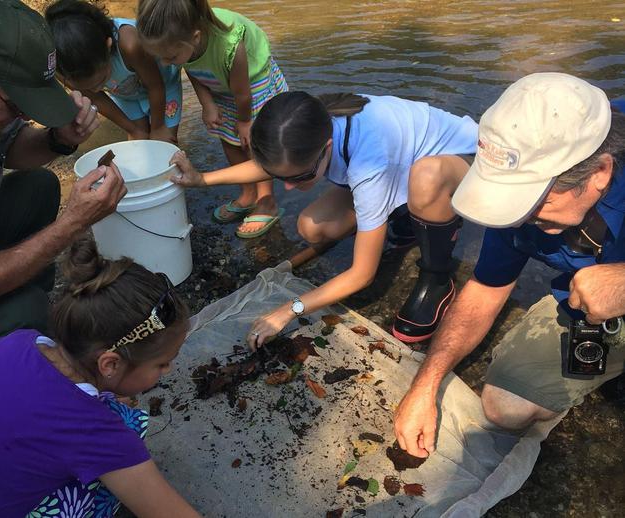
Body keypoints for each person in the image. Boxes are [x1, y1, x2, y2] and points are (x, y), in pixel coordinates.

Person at [393, 72, 625, 459]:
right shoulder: (518, 202)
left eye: (535, 204)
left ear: (599, 173)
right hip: (591, 294)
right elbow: (486, 288)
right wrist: (425, 385)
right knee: (505, 405)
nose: (523, 218)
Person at [171, 91, 478, 347]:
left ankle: (438, 278)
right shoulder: (306, 125)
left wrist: (288, 311)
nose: (289, 186)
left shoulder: (368, 164)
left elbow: (362, 275)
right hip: (399, 168)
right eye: (282, 178)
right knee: (313, 227)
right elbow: (272, 164)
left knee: (427, 179)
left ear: (327, 147)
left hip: (464, 163)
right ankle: (404, 215)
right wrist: (202, 179)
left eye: (300, 176)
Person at [0, 237, 200, 517]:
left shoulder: (21, 340)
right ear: (110, 364)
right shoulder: (97, 433)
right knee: (124, 430)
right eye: (162, 363)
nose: (167, 370)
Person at [0, 0, 127, 376]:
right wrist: (73, 222)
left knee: (38, 186)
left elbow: (9, 146)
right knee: (27, 313)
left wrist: (59, 140)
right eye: (16, 103)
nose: (25, 115)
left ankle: (19, 302)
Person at [137, 0, 289, 239]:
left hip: (252, 85)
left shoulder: (230, 44)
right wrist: (207, 104)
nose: (166, 64)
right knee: (228, 138)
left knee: (257, 144)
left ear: (196, 37)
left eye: (170, 57)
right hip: (219, 85)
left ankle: (266, 200)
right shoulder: (183, 44)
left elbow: (243, 94)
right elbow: (193, 67)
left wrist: (245, 122)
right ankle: (248, 194)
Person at [46, 0, 183, 143]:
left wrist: (158, 127)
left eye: (101, 80)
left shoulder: (130, 45)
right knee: (139, 142)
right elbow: (97, 98)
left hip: (163, 86)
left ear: (108, 46)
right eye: (89, 88)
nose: (97, 89)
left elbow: (155, 86)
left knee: (163, 142)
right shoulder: (62, 69)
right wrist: (133, 130)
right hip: (124, 95)